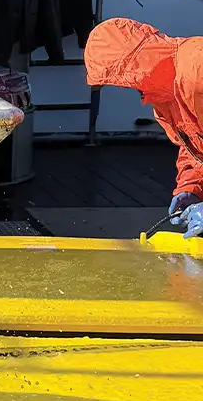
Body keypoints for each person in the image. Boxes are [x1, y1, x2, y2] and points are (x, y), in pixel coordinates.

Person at [84, 17, 203, 237]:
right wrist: (191, 187)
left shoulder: (197, 69)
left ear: (132, 66)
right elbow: (195, 150)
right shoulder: (166, 97)